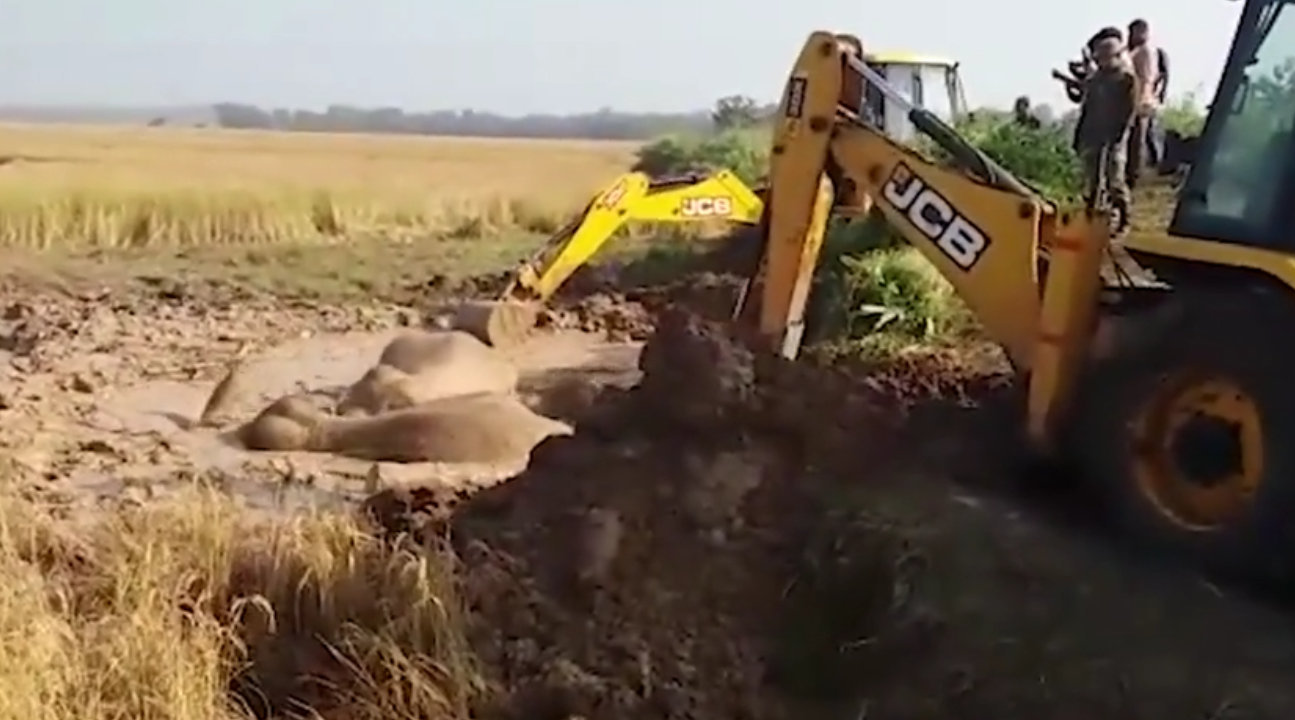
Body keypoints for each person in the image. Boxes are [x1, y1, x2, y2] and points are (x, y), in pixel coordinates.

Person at [1074, 36, 1138, 232]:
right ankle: (1091, 219)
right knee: (1092, 180)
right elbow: (1086, 109)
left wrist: (1118, 136)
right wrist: (1079, 136)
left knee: (1114, 179)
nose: (1101, 61)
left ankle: (1124, 220)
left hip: (1114, 137)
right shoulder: (1095, 80)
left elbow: (1129, 111)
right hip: (1094, 135)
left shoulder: (1127, 80)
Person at [1125, 19, 1163, 189]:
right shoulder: (1137, 51)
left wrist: (1140, 101)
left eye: (1135, 32)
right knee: (1136, 141)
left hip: (1140, 102)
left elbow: (1145, 78)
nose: (1131, 36)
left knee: (1136, 143)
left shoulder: (1145, 52)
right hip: (1137, 101)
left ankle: (1133, 179)